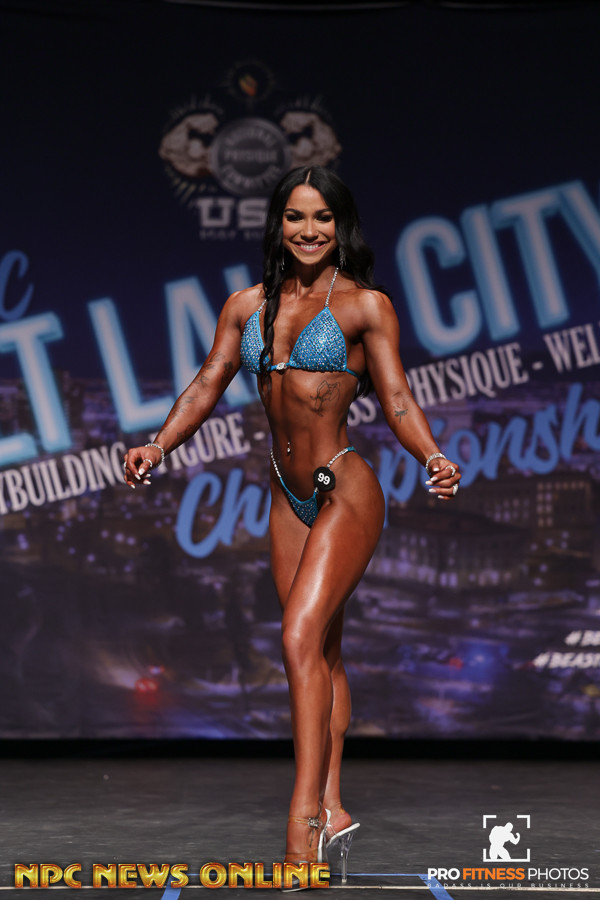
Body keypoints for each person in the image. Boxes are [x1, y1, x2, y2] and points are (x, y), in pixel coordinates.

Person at [123, 166, 461, 878]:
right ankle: (334, 807)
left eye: (324, 218)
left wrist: (432, 455)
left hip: (344, 489)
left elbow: (397, 398)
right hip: (286, 496)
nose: (310, 230)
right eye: (296, 217)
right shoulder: (246, 306)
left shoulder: (366, 306)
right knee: (322, 654)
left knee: (298, 637)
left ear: (342, 226)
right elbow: (208, 382)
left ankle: (303, 820)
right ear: (278, 225)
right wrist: (159, 444)